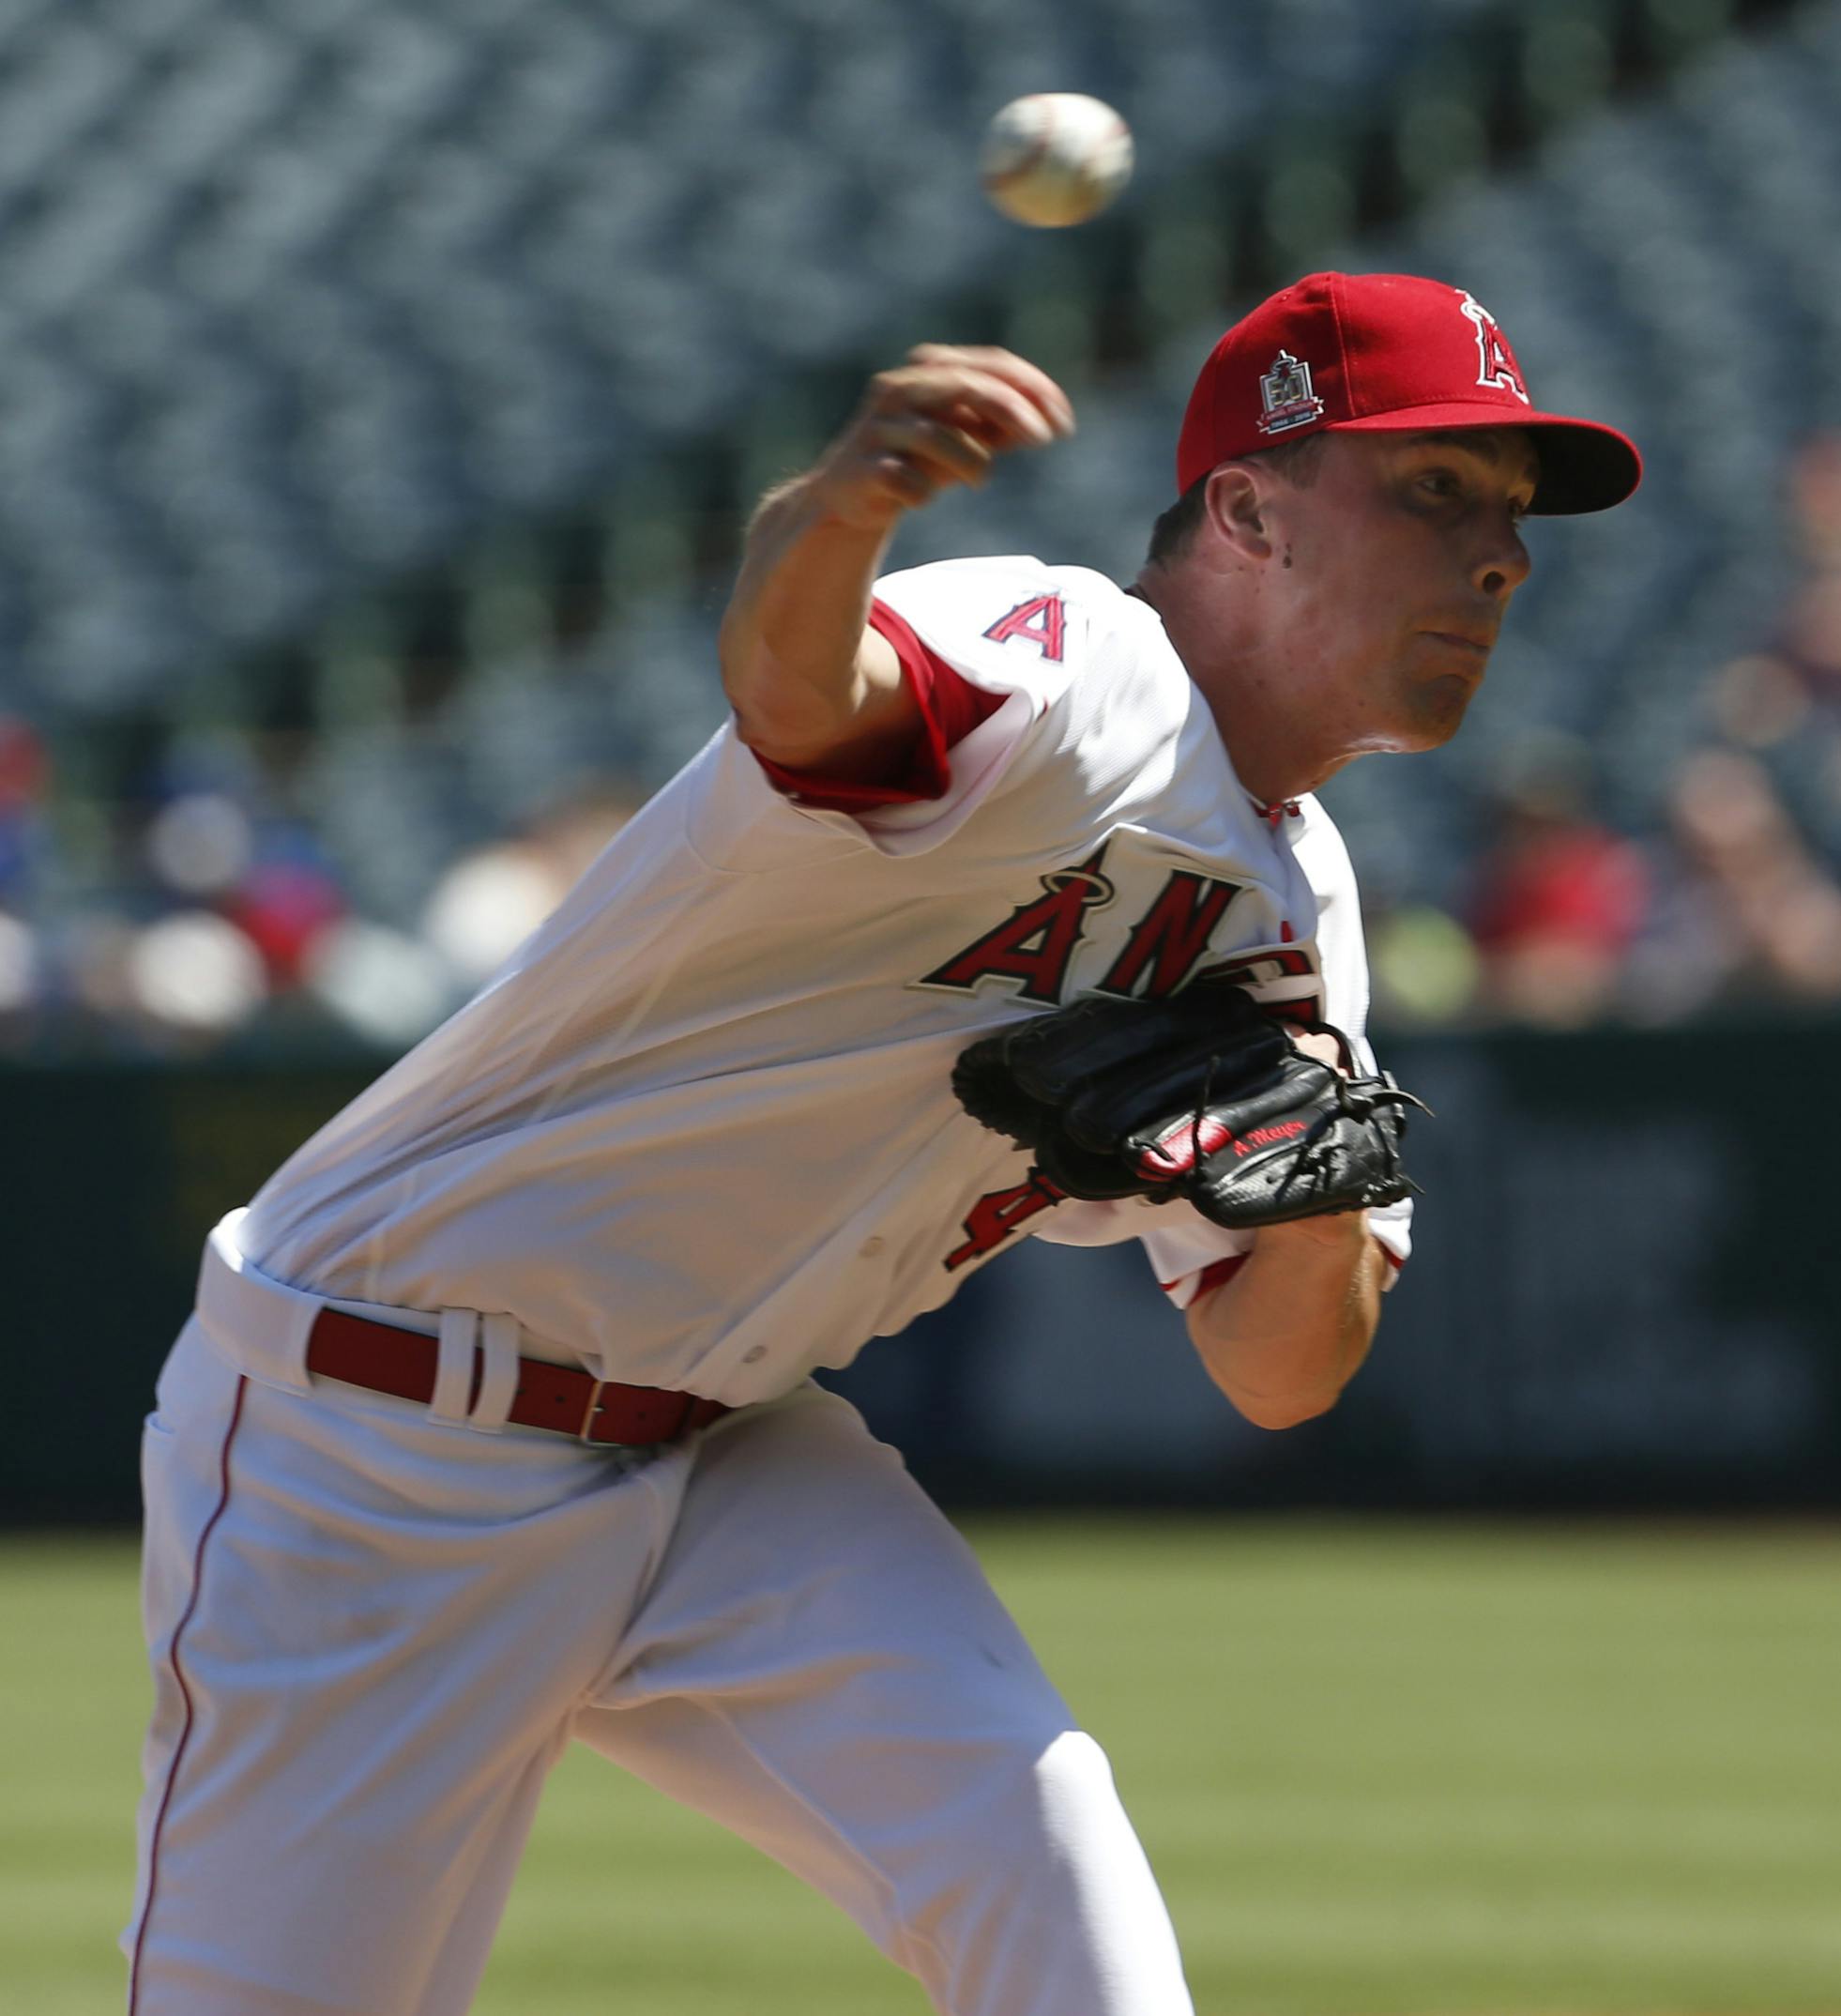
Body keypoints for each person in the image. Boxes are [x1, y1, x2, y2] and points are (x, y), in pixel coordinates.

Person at [127, 271, 1639, 2016]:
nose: (1501, 559)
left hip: (728, 1456)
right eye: (1434, 490)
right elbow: (806, 696)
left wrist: (1305, 1211)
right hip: (379, 1433)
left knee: (1057, 1895)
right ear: (1248, 510)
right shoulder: (1080, 669)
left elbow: (1283, 1376)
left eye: (1512, 516)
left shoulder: (1296, 913)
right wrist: (835, 509)